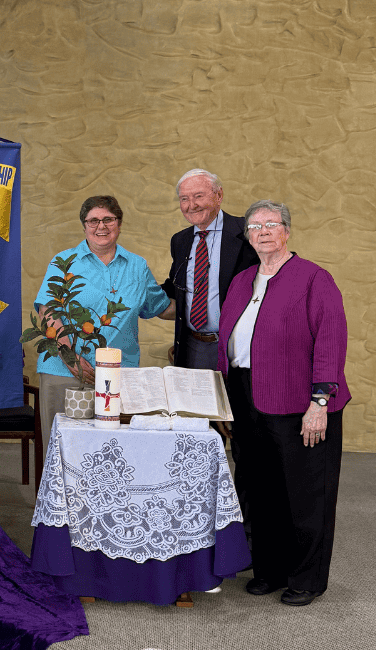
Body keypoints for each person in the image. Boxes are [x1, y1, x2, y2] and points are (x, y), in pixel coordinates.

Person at [218, 200, 350, 607]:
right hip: (247, 397)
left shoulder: (314, 278)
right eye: (255, 226)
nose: (263, 231)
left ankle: (306, 578)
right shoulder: (242, 280)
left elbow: (330, 340)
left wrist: (320, 402)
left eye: (272, 224)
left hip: (300, 403)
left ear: (287, 231)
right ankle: (270, 570)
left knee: (305, 494)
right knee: (261, 490)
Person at [160, 169, 259, 539]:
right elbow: (174, 289)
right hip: (194, 351)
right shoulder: (180, 240)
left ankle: (246, 531)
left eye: (198, 196)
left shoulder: (246, 234)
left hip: (235, 352)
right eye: (184, 199)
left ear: (219, 195)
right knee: (196, 438)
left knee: (244, 439)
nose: (191, 205)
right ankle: (199, 523)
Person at [34, 195, 175, 440]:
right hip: (64, 372)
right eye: (93, 221)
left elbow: (161, 307)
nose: (101, 226)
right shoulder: (64, 262)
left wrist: (207, 306)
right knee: (63, 448)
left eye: (108, 219)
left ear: (119, 224)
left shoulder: (137, 266)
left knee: (113, 449)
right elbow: (48, 311)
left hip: (120, 374)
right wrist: (70, 357)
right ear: (84, 225)